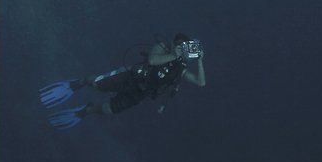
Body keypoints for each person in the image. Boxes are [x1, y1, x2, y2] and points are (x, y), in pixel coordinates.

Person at [39, 33, 206, 129]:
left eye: (185, 48)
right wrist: (173, 54)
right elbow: (153, 61)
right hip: (129, 78)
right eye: (179, 45)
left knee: (109, 109)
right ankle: (80, 82)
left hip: (141, 94)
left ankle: (87, 110)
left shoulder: (180, 68)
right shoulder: (163, 47)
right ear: (173, 43)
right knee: (97, 84)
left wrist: (199, 60)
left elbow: (201, 82)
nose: (181, 49)